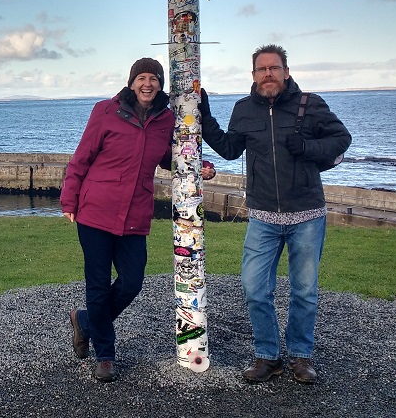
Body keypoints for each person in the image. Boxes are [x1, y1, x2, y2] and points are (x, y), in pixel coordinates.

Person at [198, 44, 351, 384]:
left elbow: (342, 138)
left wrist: (310, 148)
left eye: (274, 68)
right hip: (263, 217)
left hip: (307, 214)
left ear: (286, 71)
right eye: (261, 69)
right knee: (254, 289)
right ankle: (268, 356)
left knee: (304, 290)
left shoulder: (310, 104)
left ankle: (300, 357)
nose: (268, 74)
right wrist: (204, 116)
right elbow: (229, 148)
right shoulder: (243, 109)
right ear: (253, 75)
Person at [62, 57, 214, 382]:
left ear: (160, 85)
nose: (148, 84)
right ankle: (105, 355)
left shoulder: (166, 119)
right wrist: (69, 198)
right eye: (142, 78)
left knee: (132, 283)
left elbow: (167, 158)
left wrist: (196, 167)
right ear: (132, 82)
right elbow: (81, 157)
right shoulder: (106, 110)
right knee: (99, 286)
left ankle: (86, 321)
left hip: (134, 216)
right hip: (95, 212)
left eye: (154, 79)